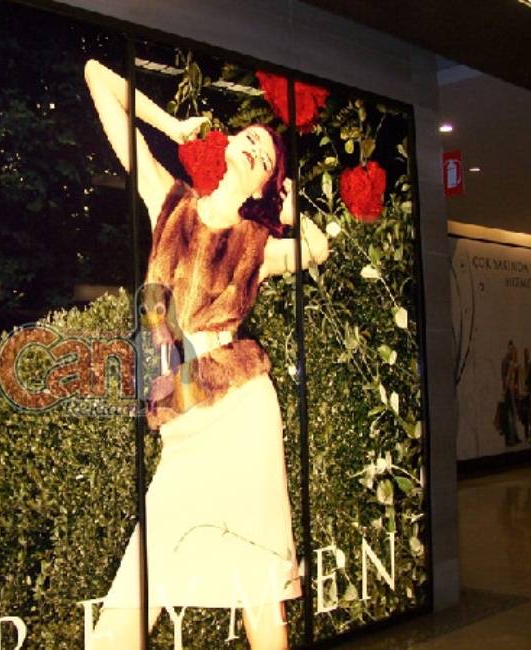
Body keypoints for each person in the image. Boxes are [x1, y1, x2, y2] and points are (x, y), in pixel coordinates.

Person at [84, 59, 329, 650]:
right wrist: (172, 125)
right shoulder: (169, 200)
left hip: (241, 411)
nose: (255, 147)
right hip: (183, 416)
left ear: (265, 186)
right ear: (227, 147)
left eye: (266, 158)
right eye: (250, 138)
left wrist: (290, 214)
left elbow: (317, 249)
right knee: (132, 596)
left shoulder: (259, 245)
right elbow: (97, 77)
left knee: (259, 584)